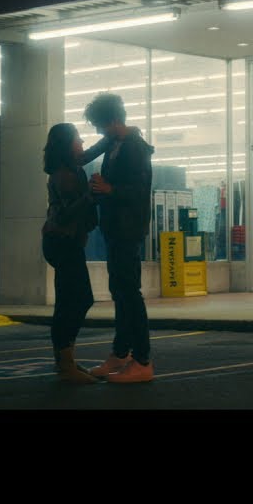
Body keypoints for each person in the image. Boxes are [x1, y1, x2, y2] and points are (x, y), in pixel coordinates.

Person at [79, 92, 156, 383]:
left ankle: (143, 360)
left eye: (100, 125)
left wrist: (109, 189)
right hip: (114, 228)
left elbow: (139, 191)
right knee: (120, 292)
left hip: (128, 229)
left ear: (112, 121)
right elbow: (85, 156)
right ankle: (121, 353)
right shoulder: (114, 141)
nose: (98, 132)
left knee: (129, 294)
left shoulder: (135, 148)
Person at [41, 123, 104, 384]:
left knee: (69, 301)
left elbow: (89, 153)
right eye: (77, 139)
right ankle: (65, 364)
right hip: (62, 242)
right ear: (67, 145)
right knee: (79, 300)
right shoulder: (64, 175)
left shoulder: (70, 166)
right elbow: (65, 214)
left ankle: (65, 361)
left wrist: (110, 139)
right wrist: (90, 196)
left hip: (63, 242)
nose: (82, 143)